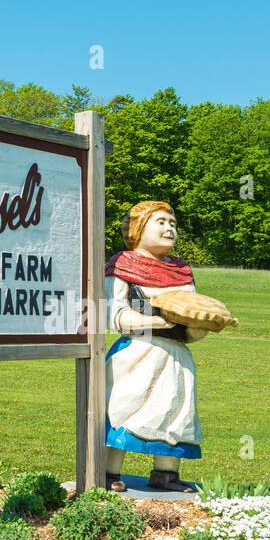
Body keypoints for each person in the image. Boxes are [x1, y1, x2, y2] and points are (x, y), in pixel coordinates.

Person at [104, 201, 210, 492]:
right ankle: (107, 471)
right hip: (138, 352)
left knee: (175, 411)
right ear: (138, 229)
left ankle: (166, 473)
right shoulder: (123, 264)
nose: (169, 228)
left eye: (172, 223)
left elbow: (191, 318)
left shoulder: (182, 272)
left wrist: (199, 328)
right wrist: (156, 323)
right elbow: (115, 314)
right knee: (125, 407)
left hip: (176, 356)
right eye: (160, 222)